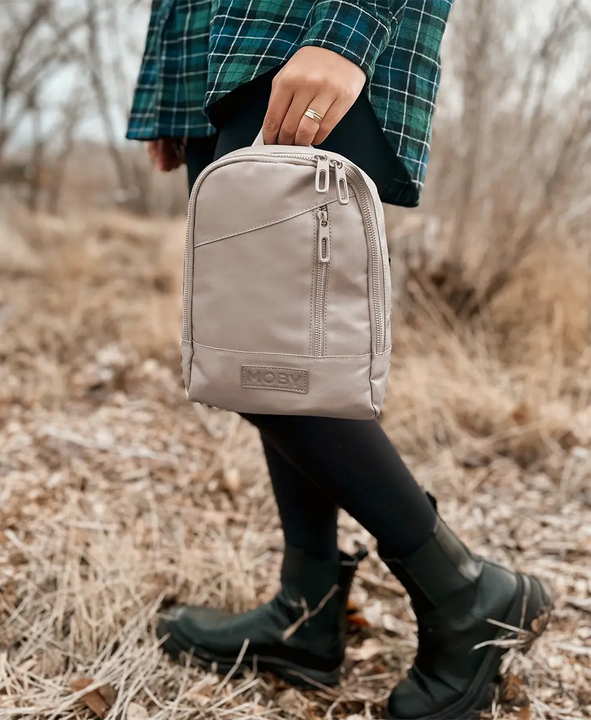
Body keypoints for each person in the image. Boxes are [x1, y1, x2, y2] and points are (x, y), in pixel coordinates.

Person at [127, 3, 552, 719]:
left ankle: (467, 593)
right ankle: (307, 611)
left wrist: (350, 28)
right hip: (217, 45)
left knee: (261, 350)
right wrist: (168, 85)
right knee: (266, 348)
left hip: (307, 30)